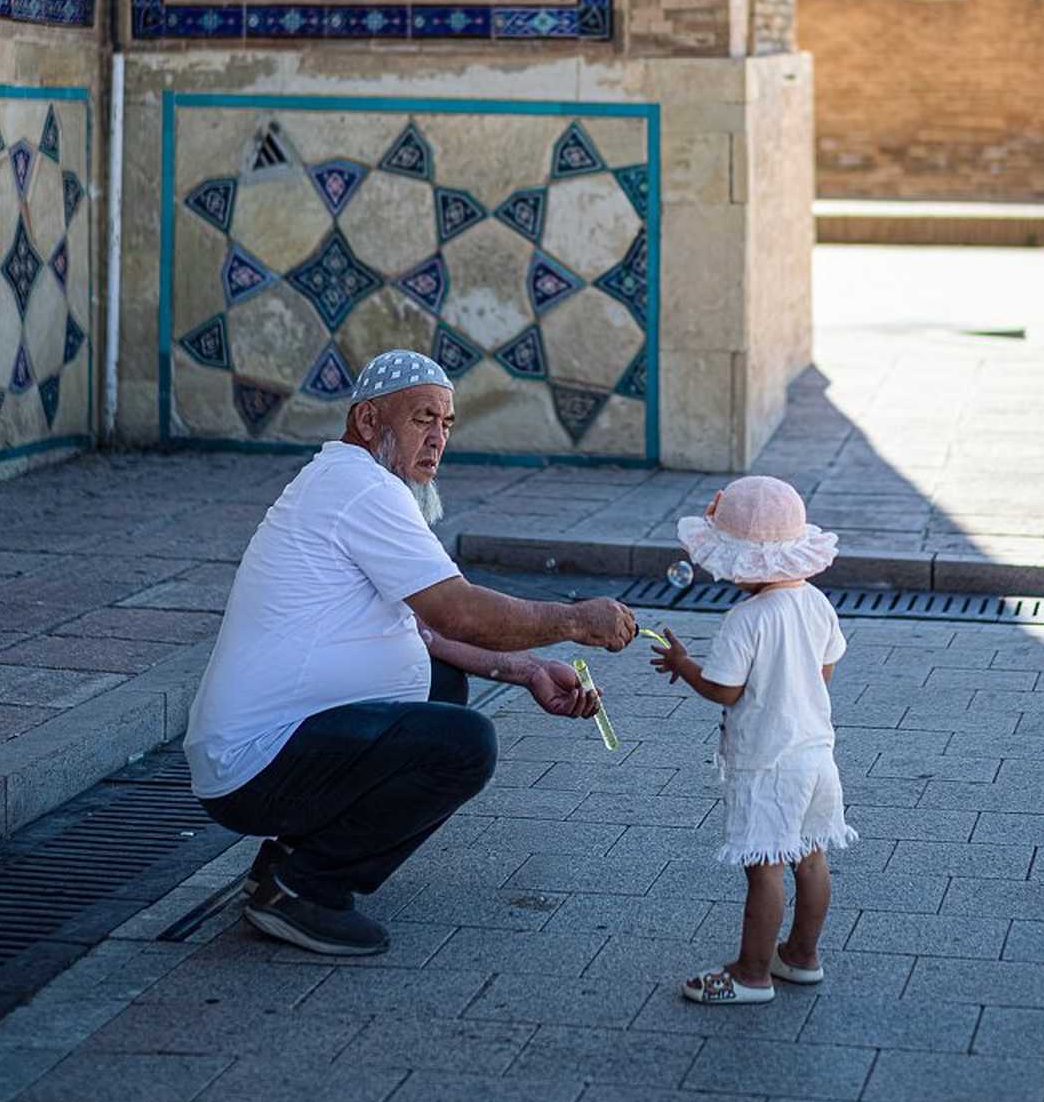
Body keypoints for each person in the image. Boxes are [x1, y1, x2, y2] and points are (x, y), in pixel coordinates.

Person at [184, 348, 637, 957]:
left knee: (441, 683)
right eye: (423, 418)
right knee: (464, 744)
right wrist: (575, 621)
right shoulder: (362, 489)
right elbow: (460, 611)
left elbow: (427, 630)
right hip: (256, 764)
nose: (438, 438)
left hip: (262, 753)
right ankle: (303, 888)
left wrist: (525, 670)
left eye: (447, 424)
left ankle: (287, 863)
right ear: (369, 422)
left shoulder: (348, 478)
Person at [649, 475, 856, 1004]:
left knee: (763, 869)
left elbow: (723, 689)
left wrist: (683, 664)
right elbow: (825, 668)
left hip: (766, 766)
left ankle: (752, 973)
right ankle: (802, 956)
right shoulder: (815, 604)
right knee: (811, 858)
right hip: (816, 757)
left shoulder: (746, 619)